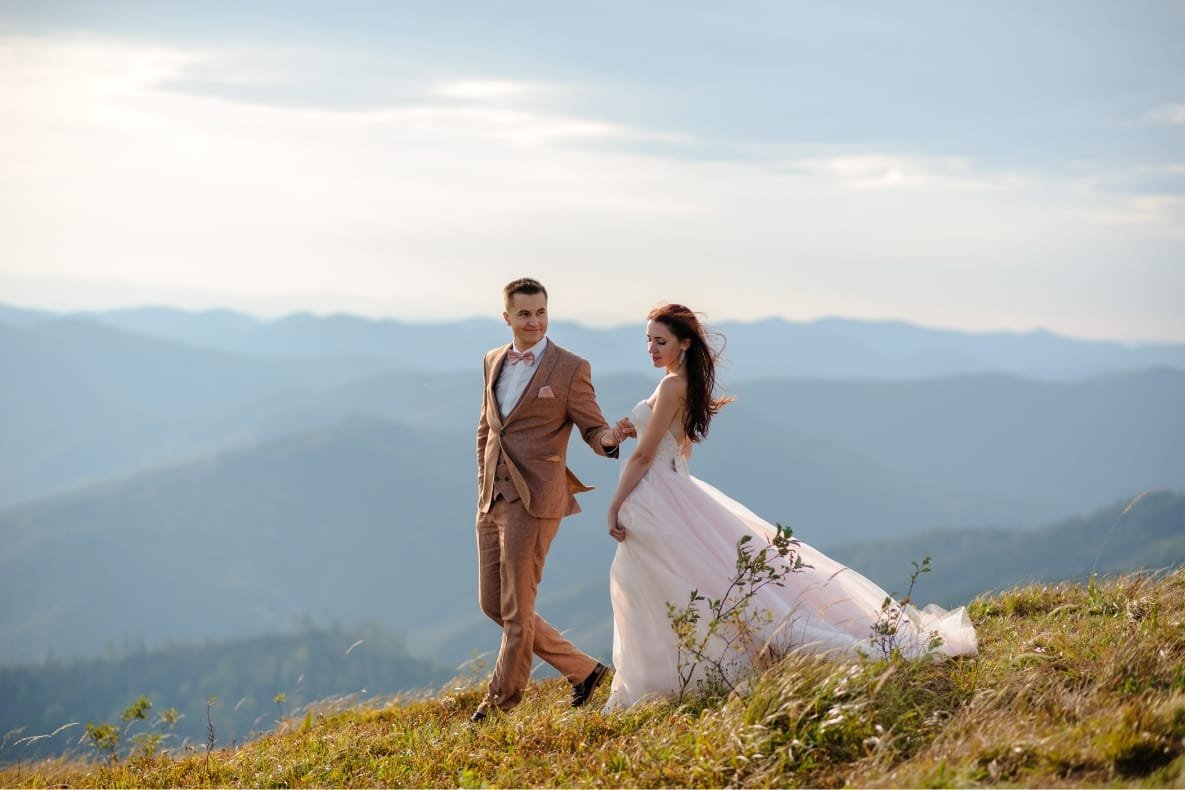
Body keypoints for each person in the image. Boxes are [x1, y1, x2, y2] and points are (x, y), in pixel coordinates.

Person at [603, 304, 977, 711]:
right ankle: (679, 673)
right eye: (648, 341)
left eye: (661, 341)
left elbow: (642, 457)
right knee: (678, 581)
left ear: (685, 343)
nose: (652, 349)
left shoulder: (674, 385)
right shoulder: (682, 383)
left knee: (659, 583)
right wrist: (630, 428)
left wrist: (615, 504)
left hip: (656, 492)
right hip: (672, 488)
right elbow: (679, 446)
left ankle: (666, 678)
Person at [472, 277, 628, 722]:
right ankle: (585, 671)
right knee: (492, 605)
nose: (535, 321)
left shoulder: (570, 367)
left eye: (541, 312)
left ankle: (498, 706)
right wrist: (482, 483)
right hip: (492, 498)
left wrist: (610, 440)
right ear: (508, 317)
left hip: (537, 500)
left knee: (518, 609)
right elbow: (487, 427)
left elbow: (592, 427)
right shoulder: (492, 360)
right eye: (524, 313)